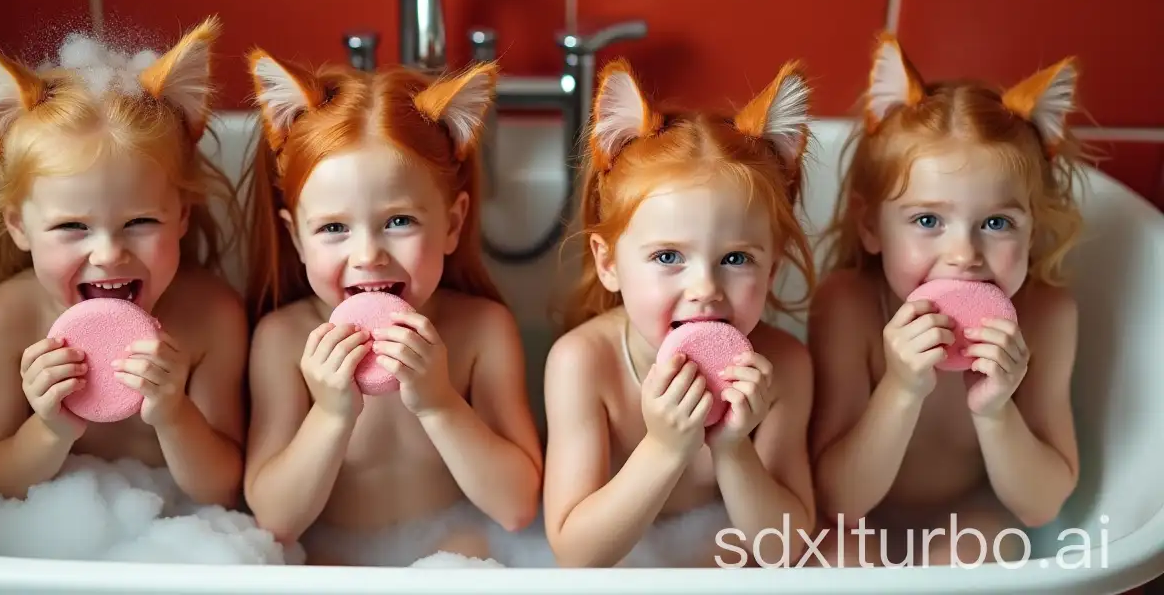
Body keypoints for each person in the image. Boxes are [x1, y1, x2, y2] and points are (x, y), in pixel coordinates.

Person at [240, 51, 542, 565]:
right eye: (333, 228)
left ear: (452, 223)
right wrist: (332, 414)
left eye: (399, 221)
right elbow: (274, 520)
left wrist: (439, 402)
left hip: (455, 565)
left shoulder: (480, 331)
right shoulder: (283, 340)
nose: (367, 256)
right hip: (332, 569)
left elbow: (517, 508)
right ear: (296, 236)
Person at [807, 32, 1084, 566]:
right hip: (857, 519)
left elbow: (1041, 508)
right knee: (838, 555)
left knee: (979, 547)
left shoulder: (1047, 316)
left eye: (997, 223)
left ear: (1033, 230)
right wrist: (901, 389)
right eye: (928, 220)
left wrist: (995, 410)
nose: (964, 254)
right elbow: (838, 502)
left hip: (970, 513)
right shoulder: (849, 305)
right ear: (871, 227)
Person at [0, 17, 249, 509]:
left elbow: (224, 491)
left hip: (180, 538)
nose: (109, 254)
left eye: (139, 222)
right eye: (72, 227)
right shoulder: (9, 320)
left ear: (181, 217)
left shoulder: (210, 317)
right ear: (19, 227)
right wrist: (51, 427)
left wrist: (174, 413)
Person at [542, 59, 819, 568]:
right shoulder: (584, 362)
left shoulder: (785, 369)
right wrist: (665, 448)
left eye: (736, 259)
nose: (706, 289)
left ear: (774, 266)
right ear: (609, 264)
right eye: (668, 257)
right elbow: (575, 553)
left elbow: (787, 552)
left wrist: (735, 449)